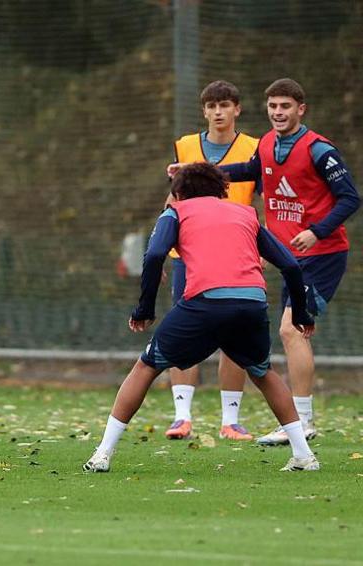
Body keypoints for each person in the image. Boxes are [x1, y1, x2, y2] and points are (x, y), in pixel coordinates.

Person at [84, 162, 318, 473]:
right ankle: (303, 455)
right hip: (251, 304)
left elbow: (154, 256)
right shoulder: (245, 213)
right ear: (221, 190)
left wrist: (144, 310)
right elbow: (290, 265)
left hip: (204, 304)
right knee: (263, 373)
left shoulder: (176, 212)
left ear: (178, 194)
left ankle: (103, 453)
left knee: (147, 366)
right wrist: (301, 313)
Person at [169, 78, 359, 445]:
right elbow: (247, 171)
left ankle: (302, 421)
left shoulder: (319, 150)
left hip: (322, 254)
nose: (278, 113)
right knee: (293, 332)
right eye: (272, 107)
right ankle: (299, 421)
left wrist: (317, 231)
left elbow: (350, 198)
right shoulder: (269, 144)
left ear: (300, 109)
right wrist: (192, 174)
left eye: (285, 107)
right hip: (292, 258)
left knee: (291, 330)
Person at [163, 81, 260, 442]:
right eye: (211, 106)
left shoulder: (254, 149)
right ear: (203, 111)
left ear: (237, 109)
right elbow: (172, 199)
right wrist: (163, 247)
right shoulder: (186, 146)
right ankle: (181, 415)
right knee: (182, 330)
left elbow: (260, 203)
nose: (218, 112)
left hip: (236, 254)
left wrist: (262, 248)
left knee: (234, 335)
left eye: (225, 105)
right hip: (189, 255)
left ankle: (230, 420)